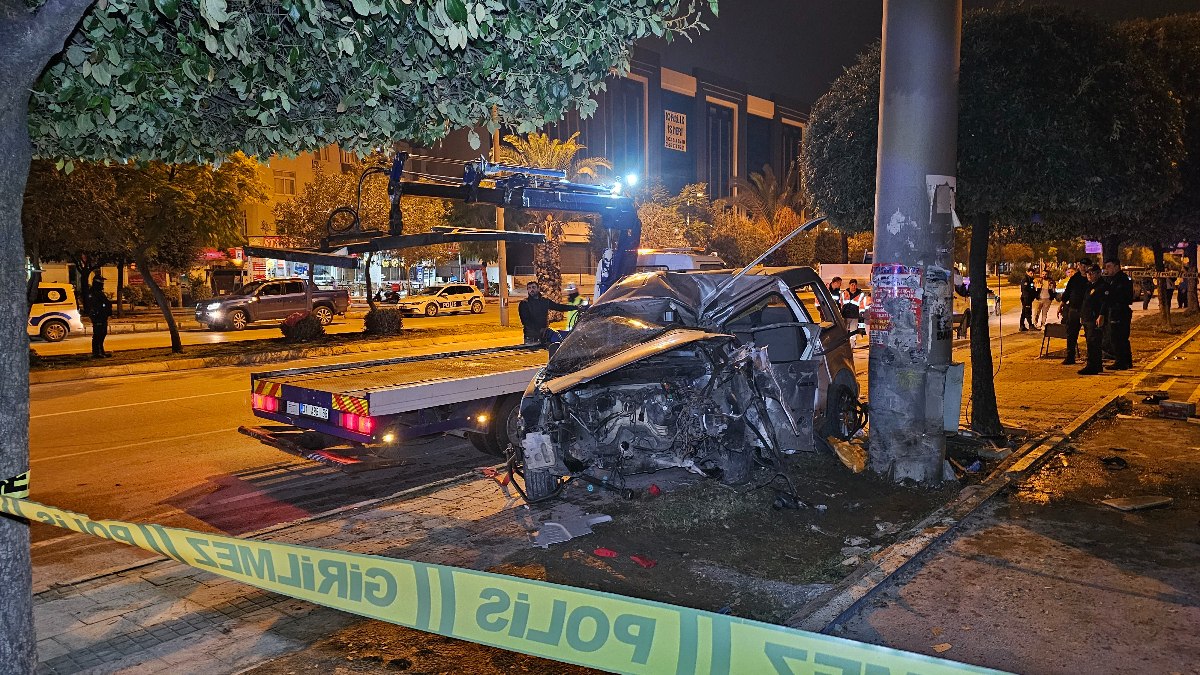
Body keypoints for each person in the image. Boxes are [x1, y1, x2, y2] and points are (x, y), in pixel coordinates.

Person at [518, 281, 576, 345]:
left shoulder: (545, 301)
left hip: (544, 336)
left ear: (538, 288)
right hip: (531, 337)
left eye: (533, 287)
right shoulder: (524, 303)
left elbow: (559, 307)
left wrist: (575, 307)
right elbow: (525, 321)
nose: (531, 290)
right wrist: (539, 330)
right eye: (529, 288)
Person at [1102, 259, 1134, 370]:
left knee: (1117, 337)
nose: (1107, 269)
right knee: (1121, 337)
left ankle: (1121, 362)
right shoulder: (1114, 279)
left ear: (1116, 267)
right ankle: (1127, 362)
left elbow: (1120, 296)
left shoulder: (1121, 280)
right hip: (1118, 310)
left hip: (1119, 311)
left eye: (1109, 266)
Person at [1057, 259, 1090, 365]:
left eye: (1086, 266)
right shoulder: (1074, 278)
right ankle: (1070, 356)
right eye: (1081, 265)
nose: (1083, 268)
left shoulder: (1092, 278)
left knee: (1089, 334)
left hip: (1087, 310)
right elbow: (1067, 292)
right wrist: (1061, 304)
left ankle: (1091, 357)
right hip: (1074, 309)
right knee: (1071, 334)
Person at [1077, 264, 1108, 375]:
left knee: (1093, 342)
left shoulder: (1102, 286)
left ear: (1098, 273)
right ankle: (1096, 365)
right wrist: (1082, 316)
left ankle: (1092, 366)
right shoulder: (1089, 285)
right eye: (1087, 273)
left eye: (1091, 273)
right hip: (1087, 317)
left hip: (1094, 318)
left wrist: (1101, 315)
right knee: (1090, 342)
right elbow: (1085, 302)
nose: (1089, 275)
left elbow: (1104, 302)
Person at [87, 274, 113, 358]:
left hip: (102, 316)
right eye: (101, 281)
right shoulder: (93, 292)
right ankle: (96, 353)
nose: (103, 283)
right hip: (98, 317)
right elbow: (95, 305)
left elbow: (105, 303)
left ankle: (101, 352)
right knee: (98, 334)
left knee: (102, 334)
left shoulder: (99, 292)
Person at [1019, 267, 1037, 331]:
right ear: (1027, 272)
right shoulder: (1025, 280)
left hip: (1029, 298)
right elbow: (1025, 289)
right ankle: (1030, 325)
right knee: (1027, 312)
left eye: (1033, 273)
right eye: (1031, 273)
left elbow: (1032, 289)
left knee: (1024, 312)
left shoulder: (1030, 279)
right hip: (1026, 298)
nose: (1032, 275)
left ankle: (1022, 326)